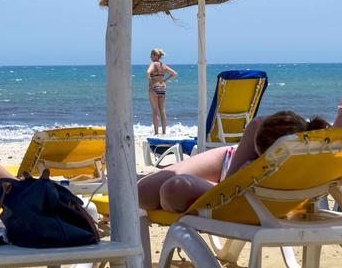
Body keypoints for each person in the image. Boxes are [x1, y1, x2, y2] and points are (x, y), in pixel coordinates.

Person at [138, 110, 329, 213]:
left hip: (240, 191)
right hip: (229, 169)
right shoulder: (262, 128)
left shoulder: (299, 161)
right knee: (142, 193)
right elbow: (228, 185)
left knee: (172, 192)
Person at [146, 48, 178, 135]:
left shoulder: (153, 64)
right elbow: (174, 73)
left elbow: (148, 72)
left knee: (155, 111)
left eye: (151, 55)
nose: (150, 56)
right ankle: (164, 132)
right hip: (162, 87)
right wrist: (165, 80)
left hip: (155, 86)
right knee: (162, 111)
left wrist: (151, 82)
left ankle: (156, 133)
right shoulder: (163, 65)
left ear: (155, 56)